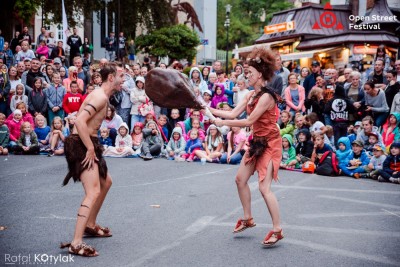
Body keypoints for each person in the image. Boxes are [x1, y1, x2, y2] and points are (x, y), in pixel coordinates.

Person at [208, 47, 283, 246]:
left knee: (264, 188)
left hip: (270, 144)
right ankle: (248, 218)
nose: (246, 75)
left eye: (249, 72)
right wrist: (207, 108)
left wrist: (223, 124)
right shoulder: (250, 94)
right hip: (256, 142)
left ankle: (277, 229)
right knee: (240, 179)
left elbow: (248, 120)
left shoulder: (267, 97)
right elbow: (232, 114)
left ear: (261, 74)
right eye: (245, 72)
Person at [60, 62, 124, 257]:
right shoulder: (99, 97)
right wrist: (89, 148)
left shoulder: (104, 97)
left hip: (90, 143)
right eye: (121, 76)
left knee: (106, 182)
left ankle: (90, 224)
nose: (124, 80)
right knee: (93, 190)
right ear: (111, 78)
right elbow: (79, 121)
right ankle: (76, 243)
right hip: (81, 143)